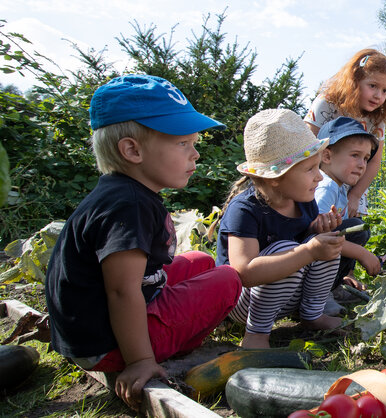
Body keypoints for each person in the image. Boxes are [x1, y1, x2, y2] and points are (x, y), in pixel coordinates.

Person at [44, 75, 242, 410]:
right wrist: (138, 360)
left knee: (201, 261)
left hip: (96, 327)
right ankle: (149, 350)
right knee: (228, 278)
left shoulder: (123, 192)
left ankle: (156, 336)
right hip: (107, 345)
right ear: (132, 150)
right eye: (183, 144)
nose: (195, 154)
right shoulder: (129, 205)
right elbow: (121, 291)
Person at [216, 108, 346, 349]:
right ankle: (256, 334)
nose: (319, 177)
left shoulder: (304, 202)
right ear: (275, 177)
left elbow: (306, 241)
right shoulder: (245, 209)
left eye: (318, 167)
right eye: (310, 169)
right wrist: (306, 252)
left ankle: (312, 314)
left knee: (325, 245)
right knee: (288, 250)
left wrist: (318, 229)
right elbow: (243, 272)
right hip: (240, 302)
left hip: (284, 297)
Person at [304, 48, 386, 218]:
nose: (378, 95)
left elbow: (374, 162)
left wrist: (354, 196)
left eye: (385, 91)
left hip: (353, 190)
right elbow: (306, 145)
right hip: (317, 185)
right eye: (373, 86)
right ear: (354, 80)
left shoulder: (377, 119)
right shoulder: (327, 103)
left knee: (355, 231)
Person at [314, 117, 382, 314]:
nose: (362, 165)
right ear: (326, 156)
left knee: (355, 228)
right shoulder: (325, 187)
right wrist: (362, 254)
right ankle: (320, 296)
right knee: (354, 231)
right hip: (311, 258)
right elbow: (315, 237)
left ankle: (332, 287)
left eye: (366, 158)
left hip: (323, 251)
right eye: (355, 155)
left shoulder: (339, 187)